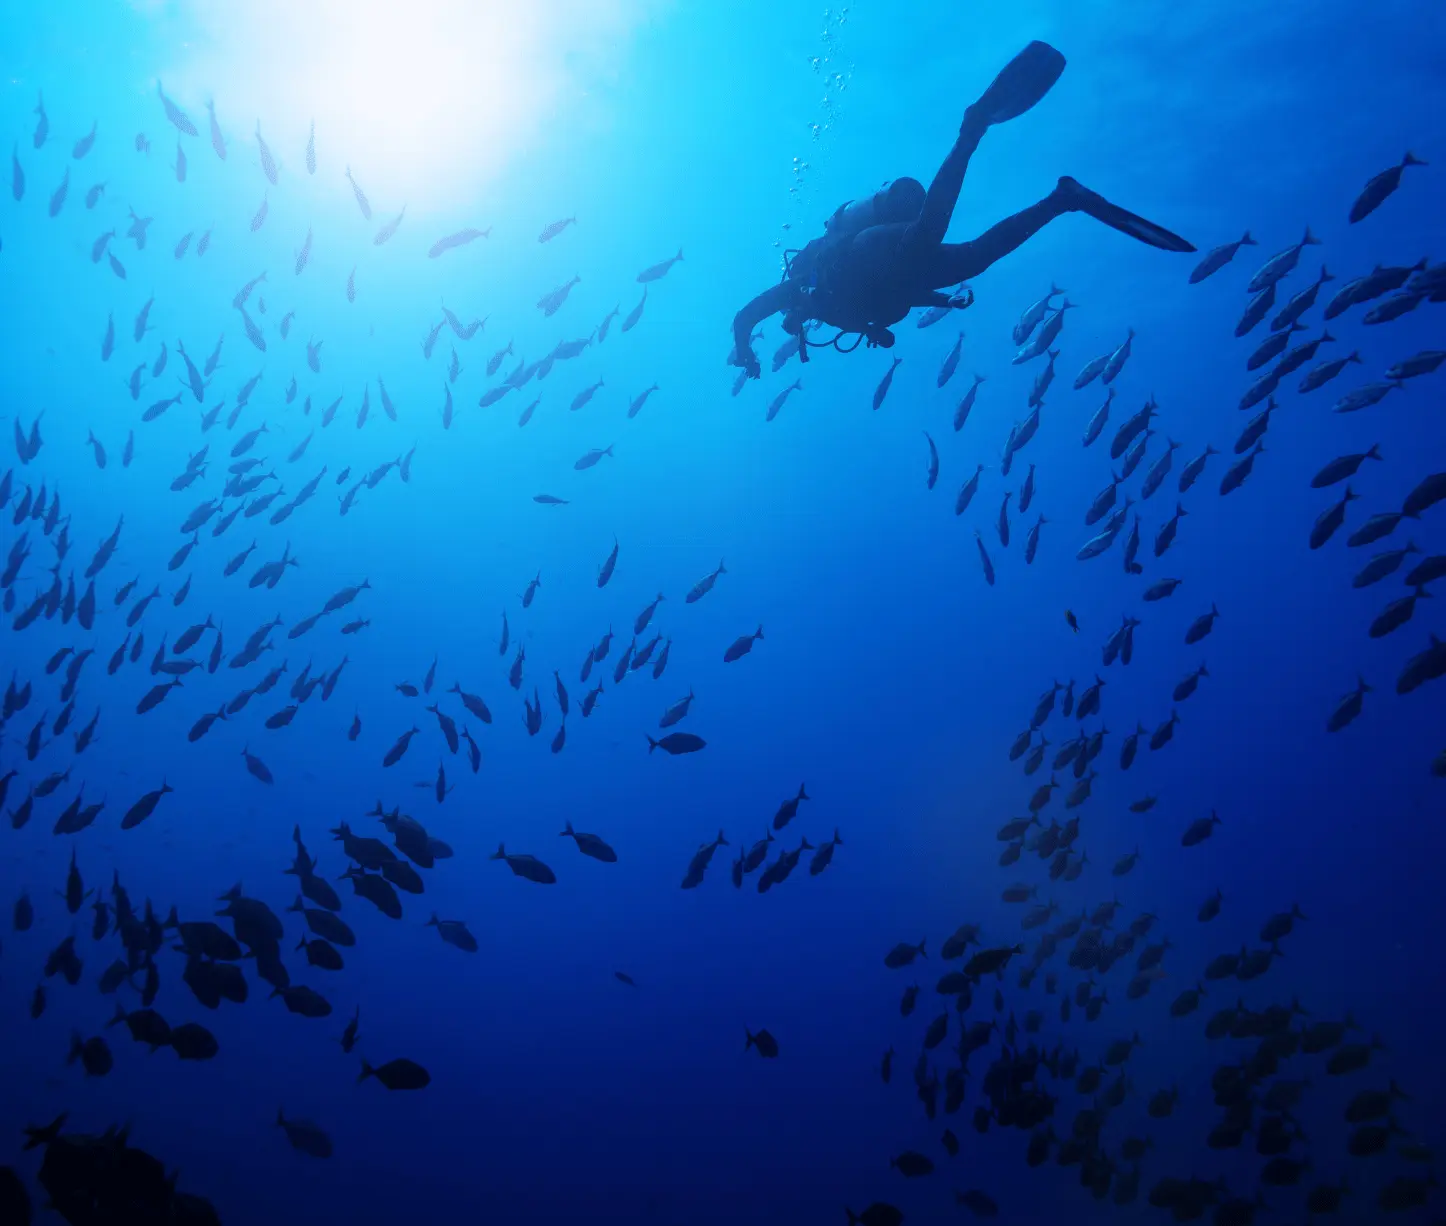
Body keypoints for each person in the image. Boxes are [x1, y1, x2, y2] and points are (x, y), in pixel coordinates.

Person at [729, 41, 1196, 378]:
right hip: (904, 278)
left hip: (868, 251)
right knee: (977, 256)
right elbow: (893, 303)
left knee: (930, 228)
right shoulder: (837, 317)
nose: (795, 323)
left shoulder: (799, 287)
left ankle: (972, 128)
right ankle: (1063, 199)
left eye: (792, 320)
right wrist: (940, 303)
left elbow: (746, 314)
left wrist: (744, 350)